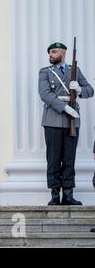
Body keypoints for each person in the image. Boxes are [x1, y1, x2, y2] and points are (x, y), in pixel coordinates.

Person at [39, 42, 94, 206]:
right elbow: (45, 94)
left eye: (54, 52)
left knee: (69, 159)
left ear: (63, 53)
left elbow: (90, 90)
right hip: (53, 119)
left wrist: (79, 90)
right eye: (49, 52)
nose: (50, 54)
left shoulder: (74, 71)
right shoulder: (45, 72)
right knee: (54, 158)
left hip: (73, 120)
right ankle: (55, 195)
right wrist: (64, 108)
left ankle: (68, 195)